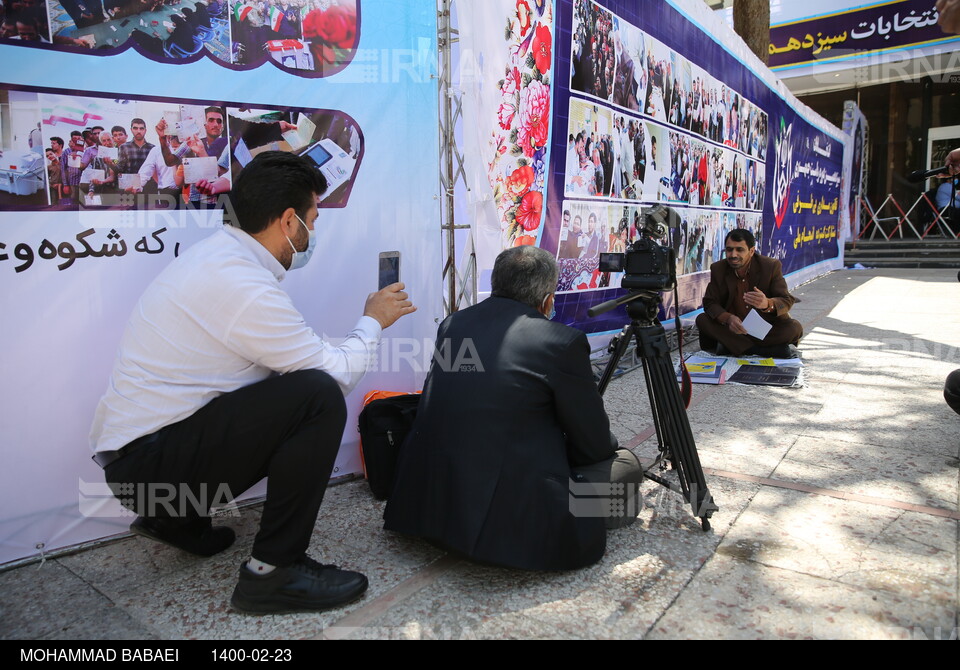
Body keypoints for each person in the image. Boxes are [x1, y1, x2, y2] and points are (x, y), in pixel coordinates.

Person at [89, 151, 416, 614]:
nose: (313, 234)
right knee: (317, 397)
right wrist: (373, 321)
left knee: (287, 391)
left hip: (139, 467)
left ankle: (174, 519)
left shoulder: (219, 260)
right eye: (313, 220)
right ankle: (273, 573)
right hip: (149, 466)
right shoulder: (240, 284)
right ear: (288, 221)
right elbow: (333, 373)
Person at [384, 246, 643, 571]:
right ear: (548, 298)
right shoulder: (562, 341)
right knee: (626, 468)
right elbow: (593, 444)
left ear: (496, 283)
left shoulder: (453, 324)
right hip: (513, 522)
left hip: (426, 505)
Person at [695, 228, 802, 358]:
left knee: (794, 328)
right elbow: (710, 302)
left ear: (751, 251)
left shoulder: (770, 266)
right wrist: (728, 318)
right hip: (733, 329)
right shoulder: (718, 268)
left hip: (764, 328)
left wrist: (767, 303)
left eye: (739, 250)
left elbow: (786, 300)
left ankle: (734, 347)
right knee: (702, 320)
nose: (733, 255)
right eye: (729, 249)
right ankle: (762, 349)